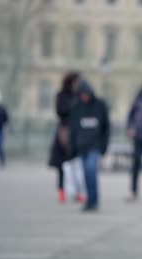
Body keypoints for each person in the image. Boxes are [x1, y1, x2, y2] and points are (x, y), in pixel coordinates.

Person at [69, 80, 110, 212]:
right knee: (86, 174)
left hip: (95, 145)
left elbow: (106, 127)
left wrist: (104, 146)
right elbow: (73, 129)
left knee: (91, 170)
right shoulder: (76, 107)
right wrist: (72, 148)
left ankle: (94, 200)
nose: (84, 97)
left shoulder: (100, 105)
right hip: (82, 146)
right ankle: (90, 201)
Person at [48, 72, 85, 203]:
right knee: (62, 166)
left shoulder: (81, 95)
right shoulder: (62, 95)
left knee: (77, 165)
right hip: (64, 132)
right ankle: (61, 190)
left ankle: (77, 192)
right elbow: (60, 111)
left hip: (77, 132)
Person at [0, 93, 9, 167]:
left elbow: (6, 119)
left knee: (0, 146)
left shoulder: (2, 109)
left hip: (0, 129)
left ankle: (3, 161)